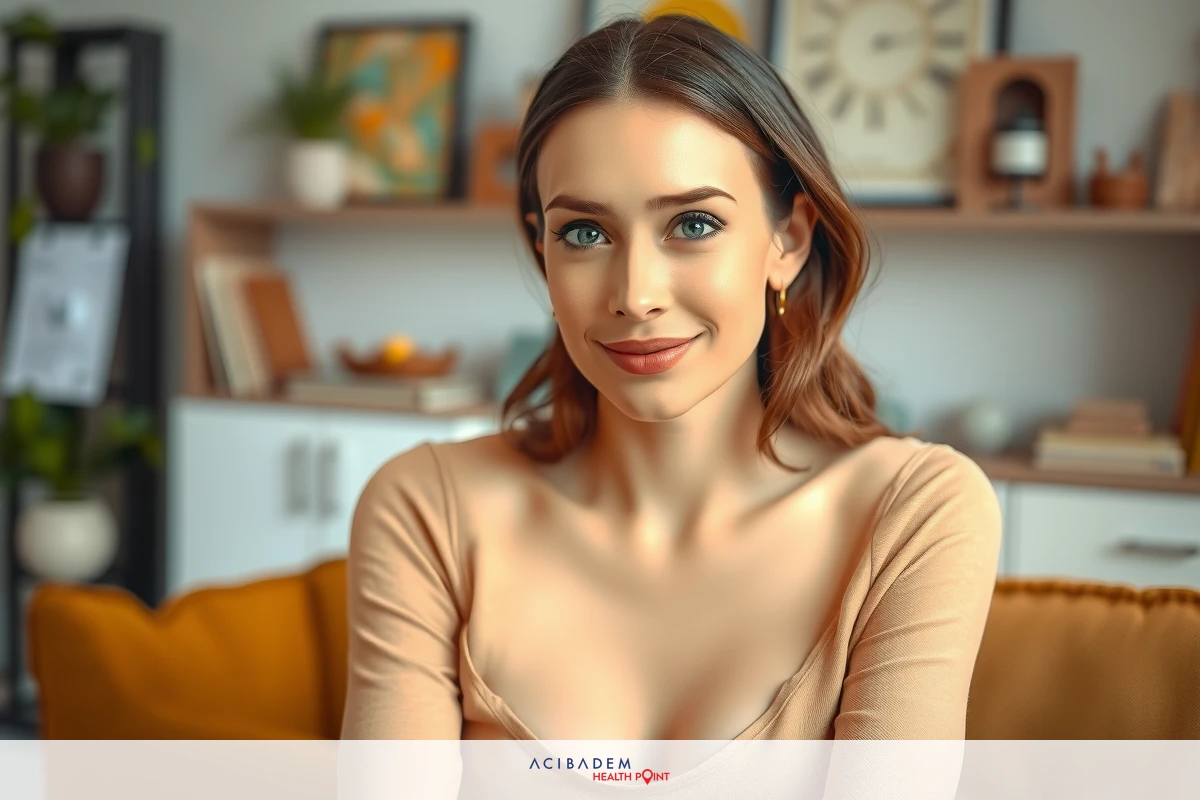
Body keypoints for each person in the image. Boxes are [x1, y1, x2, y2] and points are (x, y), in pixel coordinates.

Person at [340, 13, 1001, 747]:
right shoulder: (426, 511)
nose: (636, 293)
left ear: (788, 239)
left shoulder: (914, 515)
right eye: (584, 233)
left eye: (692, 224)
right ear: (543, 251)